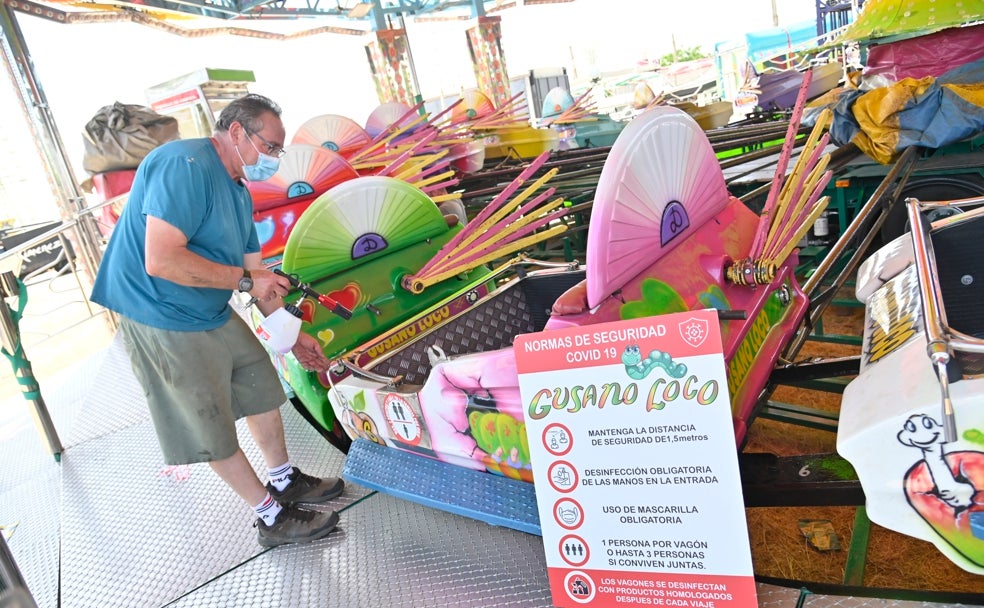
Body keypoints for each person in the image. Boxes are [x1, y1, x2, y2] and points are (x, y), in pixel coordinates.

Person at [90, 93, 344, 548]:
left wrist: (293, 335)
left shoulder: (239, 191)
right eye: (270, 147)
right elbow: (161, 259)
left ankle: (283, 479)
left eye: (278, 150)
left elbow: (258, 276)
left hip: (206, 306)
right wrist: (245, 281)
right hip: (158, 311)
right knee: (206, 418)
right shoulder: (182, 165)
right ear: (236, 132)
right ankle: (270, 517)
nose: (273, 158)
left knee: (258, 379)